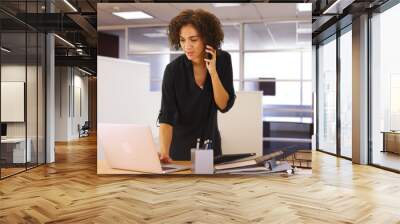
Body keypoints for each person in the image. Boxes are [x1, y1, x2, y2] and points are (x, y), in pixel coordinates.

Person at [157, 9, 236, 162]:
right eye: (182, 40)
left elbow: (223, 105)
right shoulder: (173, 70)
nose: (187, 46)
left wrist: (213, 72)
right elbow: (166, 117)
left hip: (210, 147)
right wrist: (164, 152)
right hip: (180, 149)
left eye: (193, 39)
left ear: (207, 38)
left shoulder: (223, 60)